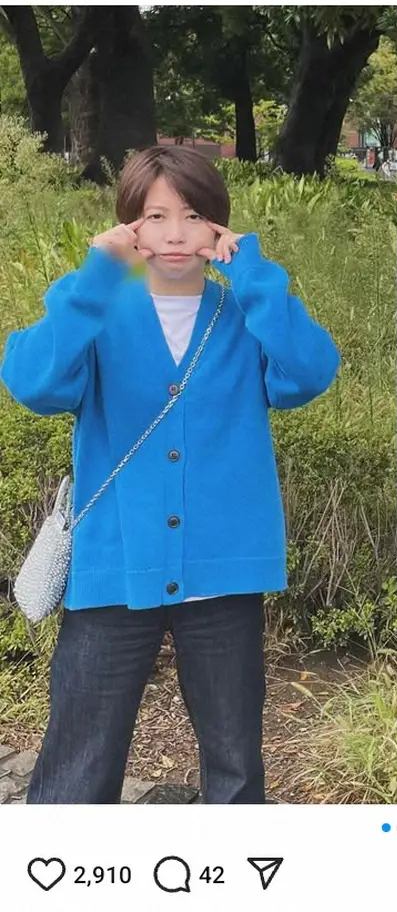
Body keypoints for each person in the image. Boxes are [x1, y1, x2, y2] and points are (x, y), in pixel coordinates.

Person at [0, 146, 341, 803]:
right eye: (156, 215)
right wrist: (96, 277)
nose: (176, 233)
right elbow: (34, 383)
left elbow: (307, 374)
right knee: (78, 761)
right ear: (129, 228)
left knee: (235, 764)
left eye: (193, 215)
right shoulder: (98, 317)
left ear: (220, 227)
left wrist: (256, 277)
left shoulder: (243, 316)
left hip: (222, 572)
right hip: (113, 564)